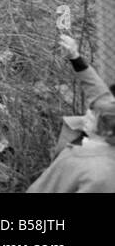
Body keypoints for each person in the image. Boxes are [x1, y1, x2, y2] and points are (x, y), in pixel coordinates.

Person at [27, 34, 115, 192]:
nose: (86, 115)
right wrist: (75, 56)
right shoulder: (107, 113)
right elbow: (98, 93)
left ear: (108, 129)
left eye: (93, 113)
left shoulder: (98, 173)